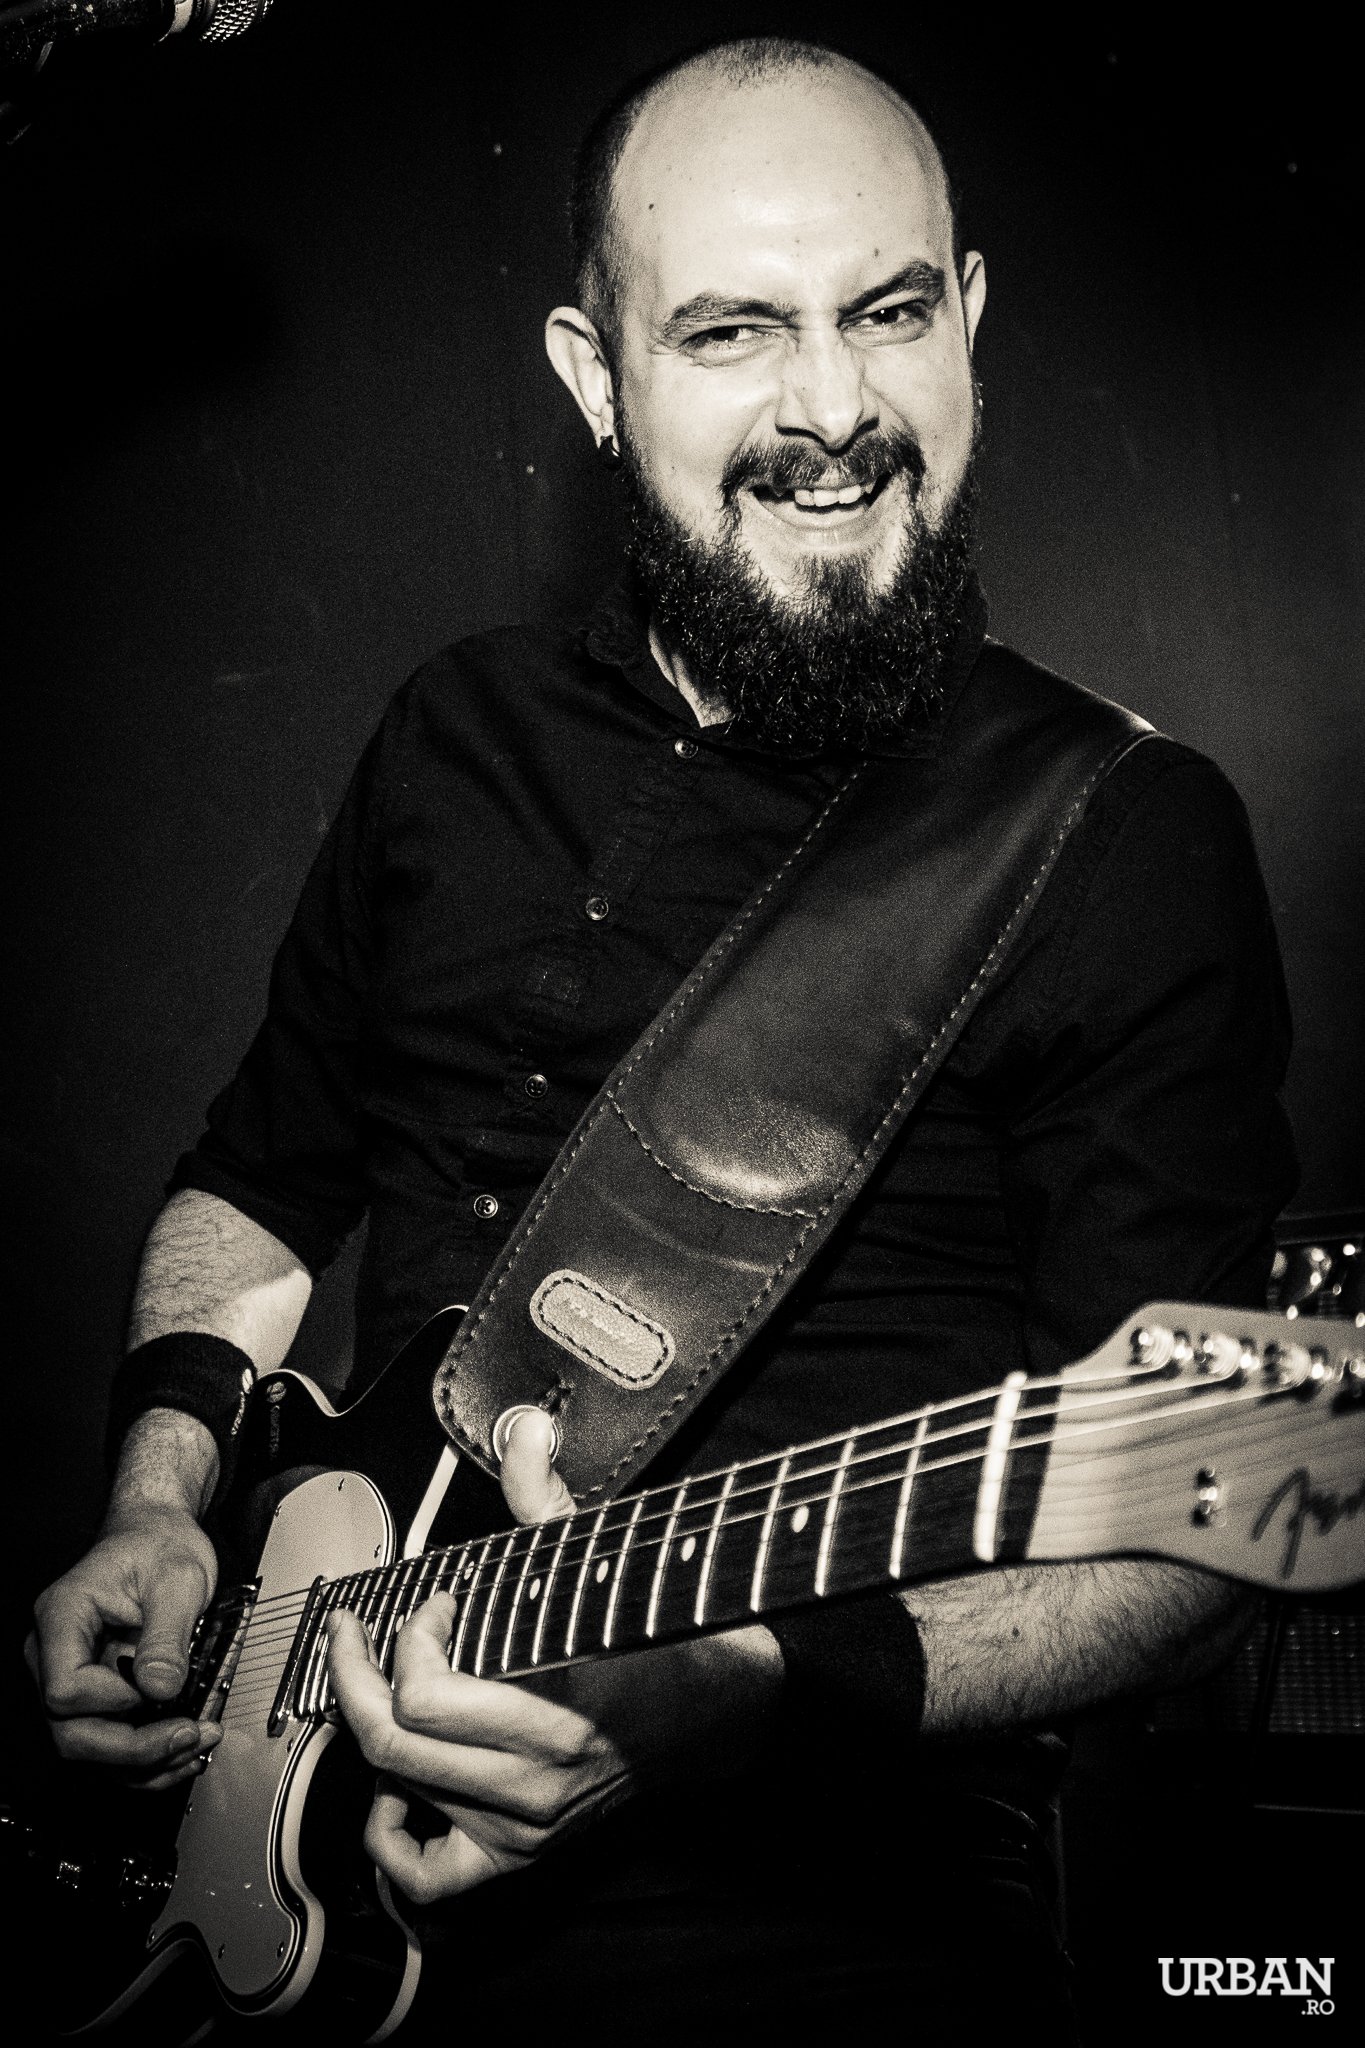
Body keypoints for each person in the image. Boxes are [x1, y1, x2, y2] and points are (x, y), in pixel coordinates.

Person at [27, 36, 1296, 2040]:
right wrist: (160, 1499)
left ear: (968, 321)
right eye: (729, 331)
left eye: (887, 312)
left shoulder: (1118, 838)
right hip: (304, 1855)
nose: (830, 408)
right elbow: (260, 1179)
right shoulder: (454, 734)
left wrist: (749, 1694)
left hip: (821, 1921)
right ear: (593, 376)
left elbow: (1196, 1531)